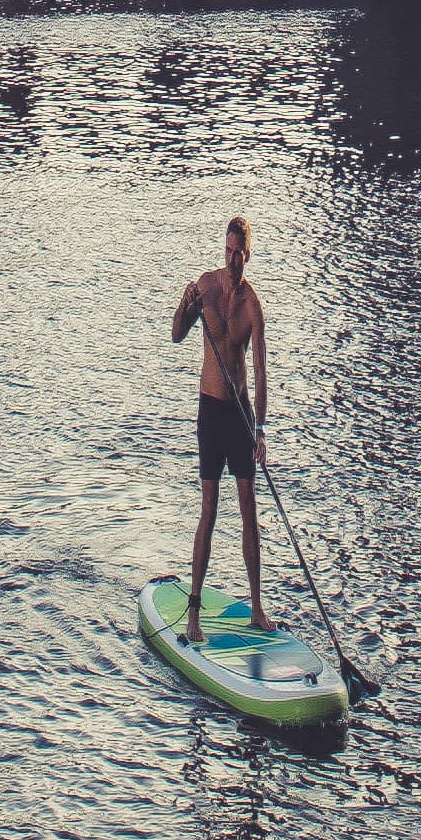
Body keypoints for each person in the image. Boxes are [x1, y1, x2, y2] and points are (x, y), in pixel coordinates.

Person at [171, 214, 269, 647]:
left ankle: (257, 607)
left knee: (249, 507)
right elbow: (176, 335)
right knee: (209, 507)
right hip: (211, 410)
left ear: (248, 255)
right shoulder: (206, 287)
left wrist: (261, 430)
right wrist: (185, 304)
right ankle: (193, 613)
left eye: (238, 254)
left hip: (241, 413)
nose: (231, 261)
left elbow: (262, 374)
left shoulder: (253, 307)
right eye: (227, 252)